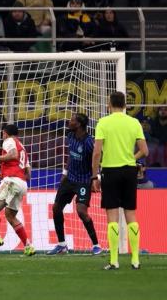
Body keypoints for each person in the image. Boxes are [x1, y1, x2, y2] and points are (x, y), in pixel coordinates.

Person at [91, 91, 149, 270]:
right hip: (129, 171)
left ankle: (114, 260)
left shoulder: (103, 122)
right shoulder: (134, 122)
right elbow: (145, 151)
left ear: (109, 104)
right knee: (131, 215)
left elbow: (97, 152)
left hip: (110, 171)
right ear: (125, 105)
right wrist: (131, 158)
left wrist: (94, 175)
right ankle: (135, 260)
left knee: (112, 216)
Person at [47, 113, 101, 255]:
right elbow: (71, 155)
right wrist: (65, 173)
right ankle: (62, 245)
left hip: (84, 181)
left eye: (72, 120)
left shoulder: (89, 142)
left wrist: (96, 178)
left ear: (79, 124)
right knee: (56, 208)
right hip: (70, 178)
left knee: (81, 212)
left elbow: (96, 160)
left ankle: (96, 245)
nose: (69, 121)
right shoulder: (70, 135)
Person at [0, 124, 35, 256]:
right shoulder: (22, 147)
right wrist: (6, 173)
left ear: (5, 133)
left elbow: (13, 154)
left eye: (2, 134)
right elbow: (28, 173)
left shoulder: (9, 141)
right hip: (22, 184)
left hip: (12, 180)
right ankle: (28, 246)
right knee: (10, 216)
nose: (2, 136)